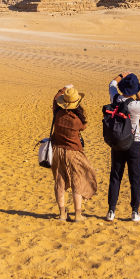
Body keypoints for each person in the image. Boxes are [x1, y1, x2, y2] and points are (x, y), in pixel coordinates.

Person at [50, 85, 97, 222]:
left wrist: (63, 89)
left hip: (57, 150)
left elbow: (54, 100)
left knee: (60, 181)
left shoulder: (57, 114)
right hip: (74, 152)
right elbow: (84, 126)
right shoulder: (77, 121)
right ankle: (78, 214)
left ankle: (62, 214)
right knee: (78, 181)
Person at [107, 72, 140, 222]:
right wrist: (137, 91)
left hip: (118, 144)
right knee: (135, 179)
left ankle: (111, 211)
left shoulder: (115, 99)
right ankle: (134, 211)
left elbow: (111, 84)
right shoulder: (135, 105)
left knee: (115, 177)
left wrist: (120, 75)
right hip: (134, 144)